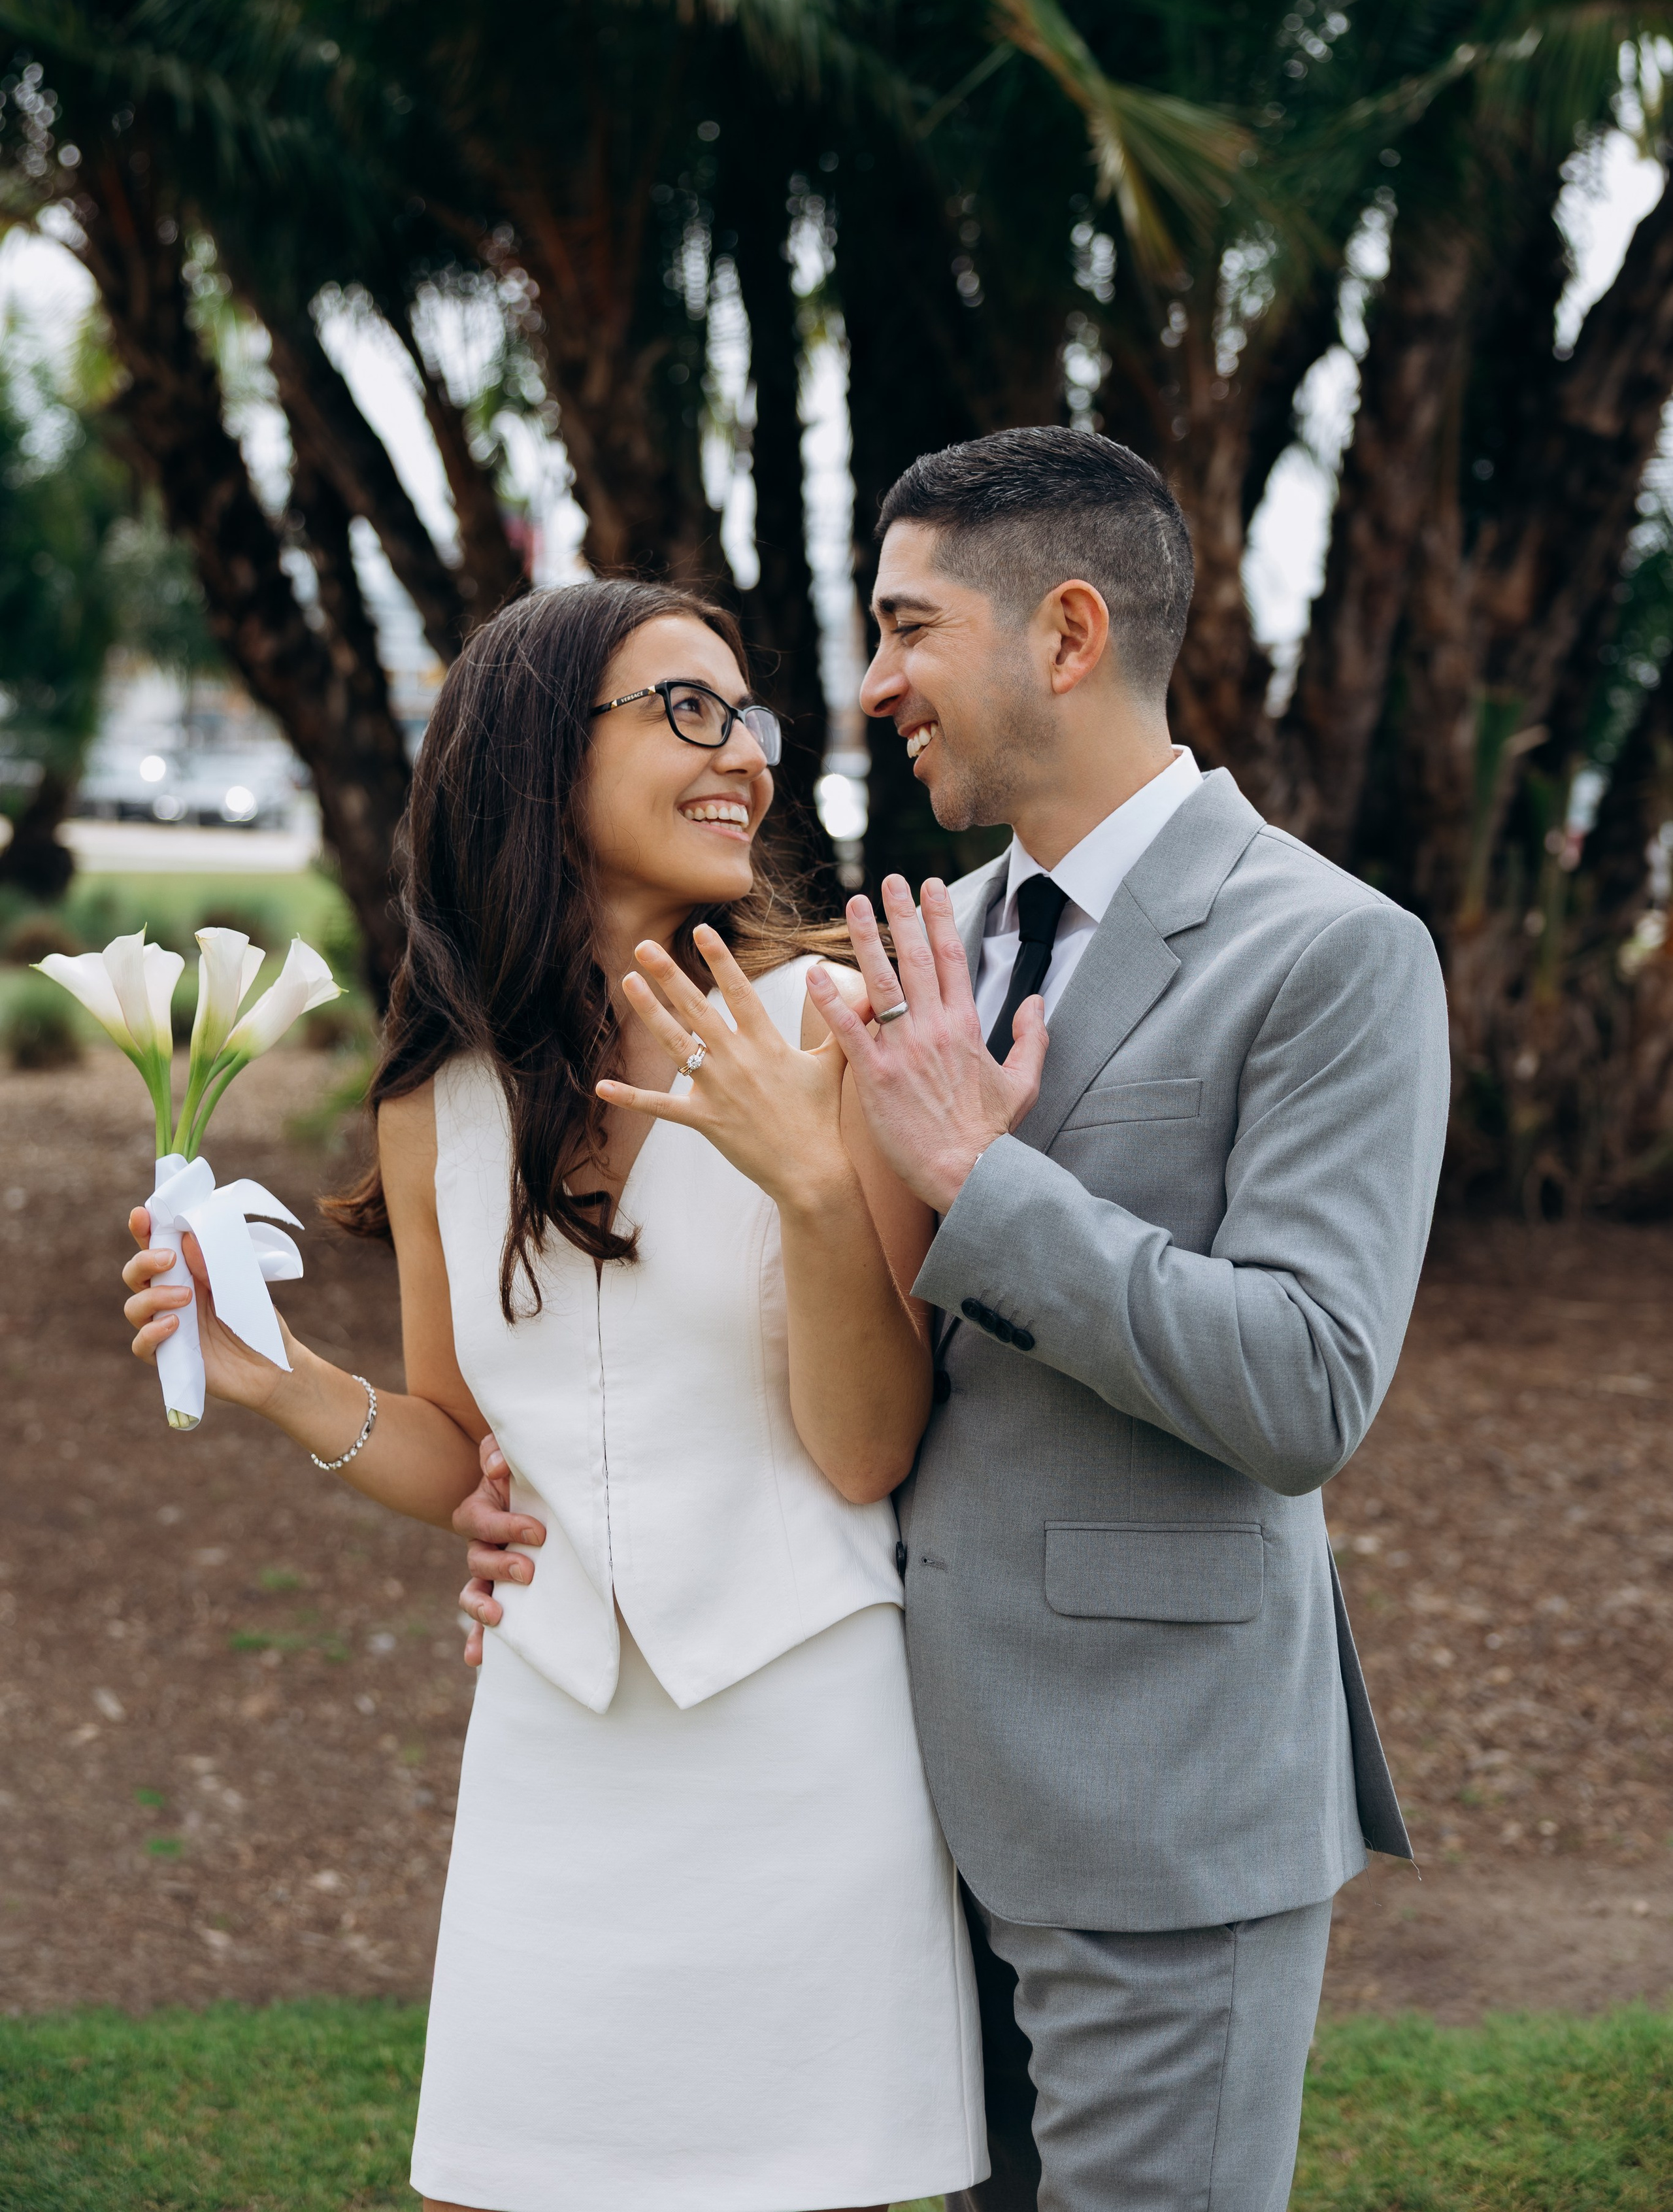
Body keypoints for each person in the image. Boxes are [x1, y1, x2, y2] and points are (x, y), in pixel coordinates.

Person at [461, 427, 1451, 2212]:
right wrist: (540, 1501)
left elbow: (1309, 1386)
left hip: (1158, 1812)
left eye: (907, 627)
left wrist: (991, 1192)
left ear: (1063, 634)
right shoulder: (899, 950)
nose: (870, 684)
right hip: (897, 1809)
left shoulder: (1331, 952)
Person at [119, 579, 986, 2212]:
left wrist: (809, 1180)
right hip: (549, 1749)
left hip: (804, 1745)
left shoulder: (828, 1031)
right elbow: (467, 1454)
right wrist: (274, 1378)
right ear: (532, 756)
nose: (741, 755)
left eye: (749, 721)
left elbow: (868, 1450)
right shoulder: (431, 1102)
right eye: (685, 711)